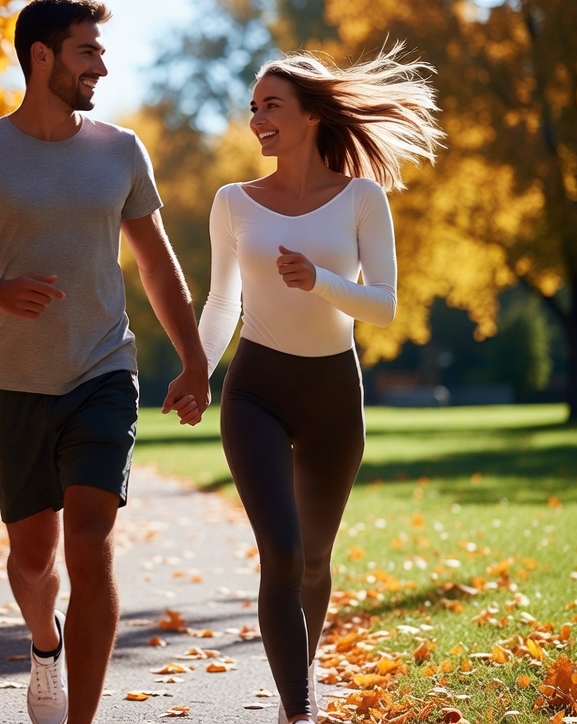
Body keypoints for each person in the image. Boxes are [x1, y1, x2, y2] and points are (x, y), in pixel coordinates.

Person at [0, 0, 209, 724]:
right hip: (14, 385)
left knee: (91, 542)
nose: (103, 67)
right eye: (88, 52)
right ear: (41, 56)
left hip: (103, 371)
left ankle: (79, 719)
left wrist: (196, 359)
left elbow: (157, 267)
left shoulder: (120, 150)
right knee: (34, 564)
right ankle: (42, 642)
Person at [186, 44, 444, 723]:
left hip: (333, 396)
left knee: (315, 561)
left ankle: (299, 677)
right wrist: (197, 369)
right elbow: (221, 305)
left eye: (271, 106)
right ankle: (297, 710)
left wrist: (322, 281)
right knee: (282, 552)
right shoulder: (233, 202)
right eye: (253, 108)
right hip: (256, 392)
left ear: (310, 115)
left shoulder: (362, 198)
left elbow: (384, 305)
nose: (257, 120)